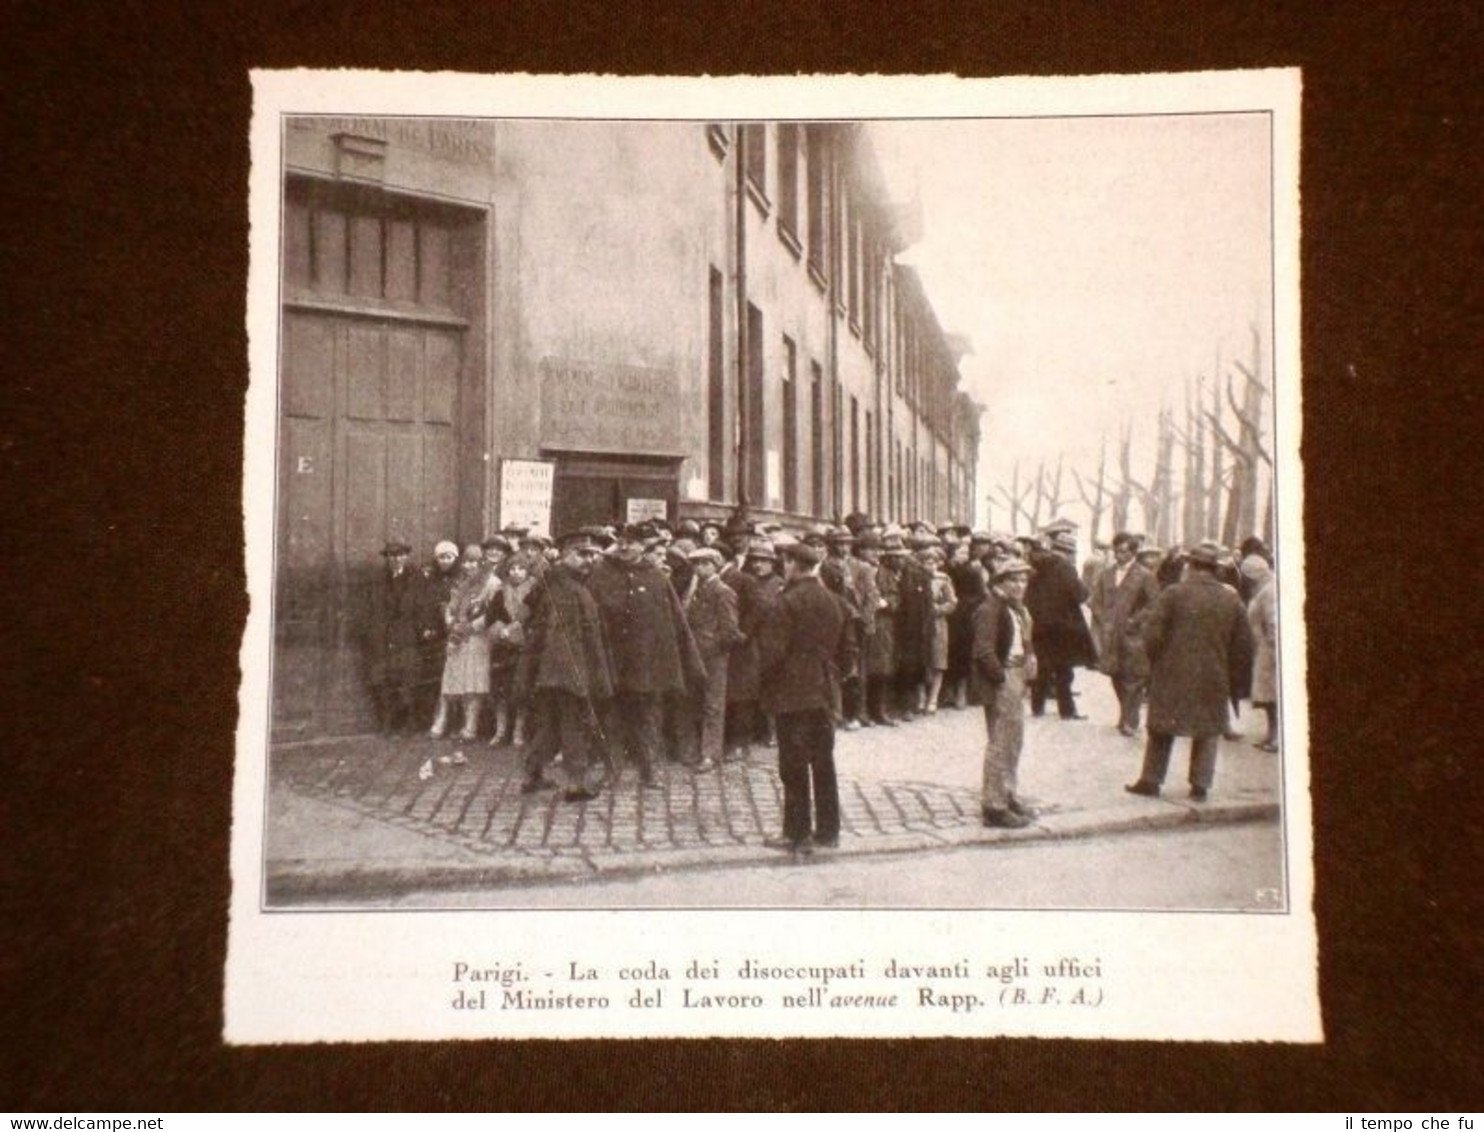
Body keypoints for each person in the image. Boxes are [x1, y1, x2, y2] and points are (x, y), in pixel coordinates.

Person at [1125, 540, 1256, 802]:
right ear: (1216, 569)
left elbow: (1152, 635)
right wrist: (1231, 674)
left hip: (1171, 673)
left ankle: (1151, 781)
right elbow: (1245, 644)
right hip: (1213, 675)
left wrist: (1157, 662)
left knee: (1161, 727)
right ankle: (1200, 786)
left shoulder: (1173, 593)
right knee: (1207, 730)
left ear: (1191, 566)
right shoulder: (1231, 599)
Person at [586, 523, 706, 788]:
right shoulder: (601, 574)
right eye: (621, 541)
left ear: (643, 547)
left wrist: (684, 660)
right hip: (613, 661)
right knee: (611, 718)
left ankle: (649, 771)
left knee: (648, 718)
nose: (625, 547)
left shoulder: (656, 577)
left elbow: (674, 620)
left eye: (631, 542)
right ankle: (612, 771)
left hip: (646, 664)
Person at [756, 540, 848, 856]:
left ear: (794, 565)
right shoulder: (832, 600)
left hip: (791, 692)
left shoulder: (786, 602)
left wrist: (765, 682)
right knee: (823, 762)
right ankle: (829, 831)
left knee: (793, 764)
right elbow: (845, 648)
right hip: (823, 690)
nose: (783, 567)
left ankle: (797, 834)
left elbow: (772, 652)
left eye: (785, 562)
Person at [517, 528, 616, 801]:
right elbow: (564, 639)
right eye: (582, 554)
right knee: (575, 725)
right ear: (564, 555)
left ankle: (532, 774)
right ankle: (576, 784)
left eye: (594, 555)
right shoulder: (567, 589)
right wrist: (580, 679)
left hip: (554, 674)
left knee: (551, 726)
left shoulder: (564, 583)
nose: (590, 560)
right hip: (567, 674)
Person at [972, 557, 1038, 828]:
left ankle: (1008, 794)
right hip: (1004, 676)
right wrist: (1000, 678)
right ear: (1000, 582)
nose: (1020, 585)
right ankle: (994, 805)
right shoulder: (990, 609)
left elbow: (1024, 641)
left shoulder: (1017, 609)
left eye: (1023, 580)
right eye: (1014, 580)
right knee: (1001, 742)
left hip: (1016, 675)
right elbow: (984, 650)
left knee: (1014, 740)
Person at [1090, 531, 1162, 735]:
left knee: (1133, 677)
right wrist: (1102, 618)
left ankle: (1130, 719)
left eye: (1123, 551)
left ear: (1133, 552)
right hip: (1110, 634)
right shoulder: (1107, 574)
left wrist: (1135, 621)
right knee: (1115, 674)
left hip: (1133, 635)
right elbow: (1096, 600)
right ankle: (1126, 713)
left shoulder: (1145, 575)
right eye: (1116, 551)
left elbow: (1155, 604)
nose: (1118, 555)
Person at [682, 546, 744, 771]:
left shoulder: (722, 591)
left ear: (716, 566)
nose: (700, 568)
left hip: (714, 656)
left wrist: (714, 647)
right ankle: (696, 749)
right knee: (695, 701)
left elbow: (729, 629)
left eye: (705, 564)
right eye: (697, 564)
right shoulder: (696, 590)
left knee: (713, 704)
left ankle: (710, 753)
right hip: (696, 654)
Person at [1025, 529, 1098, 720]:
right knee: (1064, 670)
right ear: (1067, 551)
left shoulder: (1034, 568)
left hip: (1039, 625)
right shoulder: (1065, 568)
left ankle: (1037, 708)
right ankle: (1067, 711)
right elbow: (1080, 594)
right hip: (1063, 626)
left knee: (1042, 668)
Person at [431, 543, 500, 740]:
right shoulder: (462, 583)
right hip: (457, 636)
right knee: (452, 677)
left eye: (473, 562)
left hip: (478, 637)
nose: (469, 566)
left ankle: (471, 724)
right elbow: (451, 607)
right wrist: (450, 620)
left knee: (473, 680)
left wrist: (472, 626)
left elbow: (493, 612)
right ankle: (442, 719)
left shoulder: (492, 583)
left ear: (481, 563)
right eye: (466, 562)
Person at [366, 539, 434, 735]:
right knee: (383, 679)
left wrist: (425, 628)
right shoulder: (380, 580)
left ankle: (409, 722)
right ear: (387, 558)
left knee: (408, 680)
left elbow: (424, 606)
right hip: (384, 636)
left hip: (407, 635)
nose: (396, 559)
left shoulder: (417, 579)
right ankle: (387, 723)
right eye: (392, 555)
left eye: (400, 555)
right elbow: (372, 607)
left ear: (407, 556)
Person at [486, 551, 536, 747]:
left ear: (527, 571)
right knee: (501, 690)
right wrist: (501, 630)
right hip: (503, 647)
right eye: (512, 569)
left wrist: (518, 631)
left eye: (521, 569)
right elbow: (491, 616)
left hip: (524, 647)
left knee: (521, 690)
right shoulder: (500, 592)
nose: (516, 572)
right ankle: (500, 730)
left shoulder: (533, 592)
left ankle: (518, 731)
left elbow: (535, 617)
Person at [1242, 554, 1280, 752]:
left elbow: (1273, 621)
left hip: (1269, 650)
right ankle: (1271, 733)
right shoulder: (1262, 589)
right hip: (1262, 648)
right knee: (1268, 697)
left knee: (1274, 695)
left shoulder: (1269, 591)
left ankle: (1277, 737)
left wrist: (1274, 648)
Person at [921, 545, 958, 713]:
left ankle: (933, 698)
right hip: (921, 623)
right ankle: (921, 696)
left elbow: (952, 602)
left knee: (938, 661)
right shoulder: (917, 578)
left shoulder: (943, 579)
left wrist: (939, 609)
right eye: (927, 562)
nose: (930, 566)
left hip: (938, 623)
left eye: (933, 562)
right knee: (922, 660)